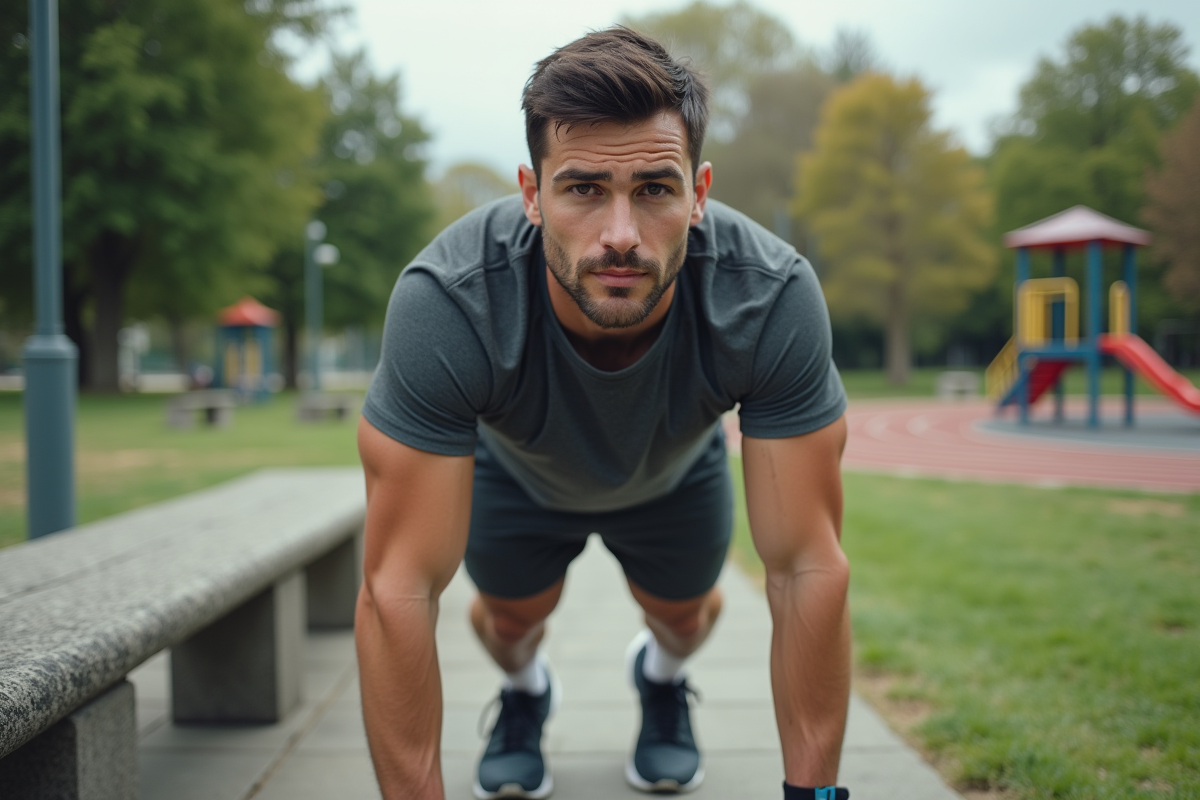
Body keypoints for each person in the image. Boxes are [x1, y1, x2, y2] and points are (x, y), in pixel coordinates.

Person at [355, 26, 851, 800]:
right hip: (513, 475)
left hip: (676, 473)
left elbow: (804, 569)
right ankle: (523, 697)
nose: (620, 236)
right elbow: (396, 591)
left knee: (684, 618)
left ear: (700, 193)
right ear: (531, 193)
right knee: (510, 623)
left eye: (654, 188)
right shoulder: (450, 303)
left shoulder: (769, 297)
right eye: (583, 188)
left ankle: (661, 683)